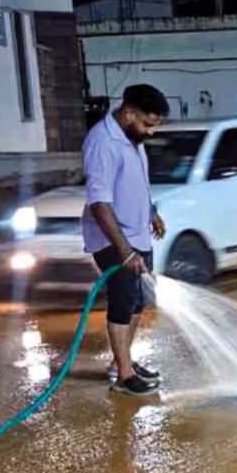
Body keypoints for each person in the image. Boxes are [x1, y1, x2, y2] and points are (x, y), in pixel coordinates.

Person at [82, 84, 170, 397]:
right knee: (122, 303)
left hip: (137, 233)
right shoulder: (103, 142)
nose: (150, 131)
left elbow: (136, 183)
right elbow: (99, 203)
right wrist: (124, 250)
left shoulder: (133, 138)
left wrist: (151, 212)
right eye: (147, 124)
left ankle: (123, 362)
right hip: (114, 239)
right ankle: (123, 375)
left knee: (138, 300)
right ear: (129, 112)